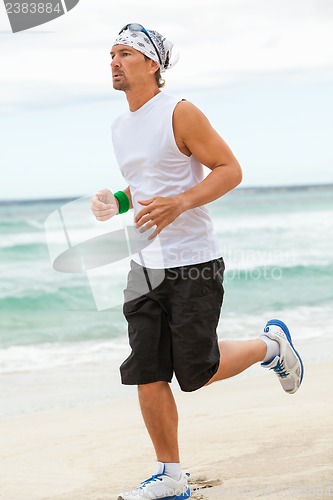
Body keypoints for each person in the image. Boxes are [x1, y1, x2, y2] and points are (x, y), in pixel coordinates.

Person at [91, 23, 304, 500]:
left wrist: (183, 203)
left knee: (198, 371)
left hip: (194, 261)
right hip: (145, 263)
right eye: (111, 54)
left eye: (125, 53)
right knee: (146, 368)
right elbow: (148, 186)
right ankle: (170, 476)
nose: (114, 61)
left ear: (153, 64)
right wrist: (119, 202)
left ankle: (270, 347)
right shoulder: (120, 125)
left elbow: (230, 169)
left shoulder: (180, 112)